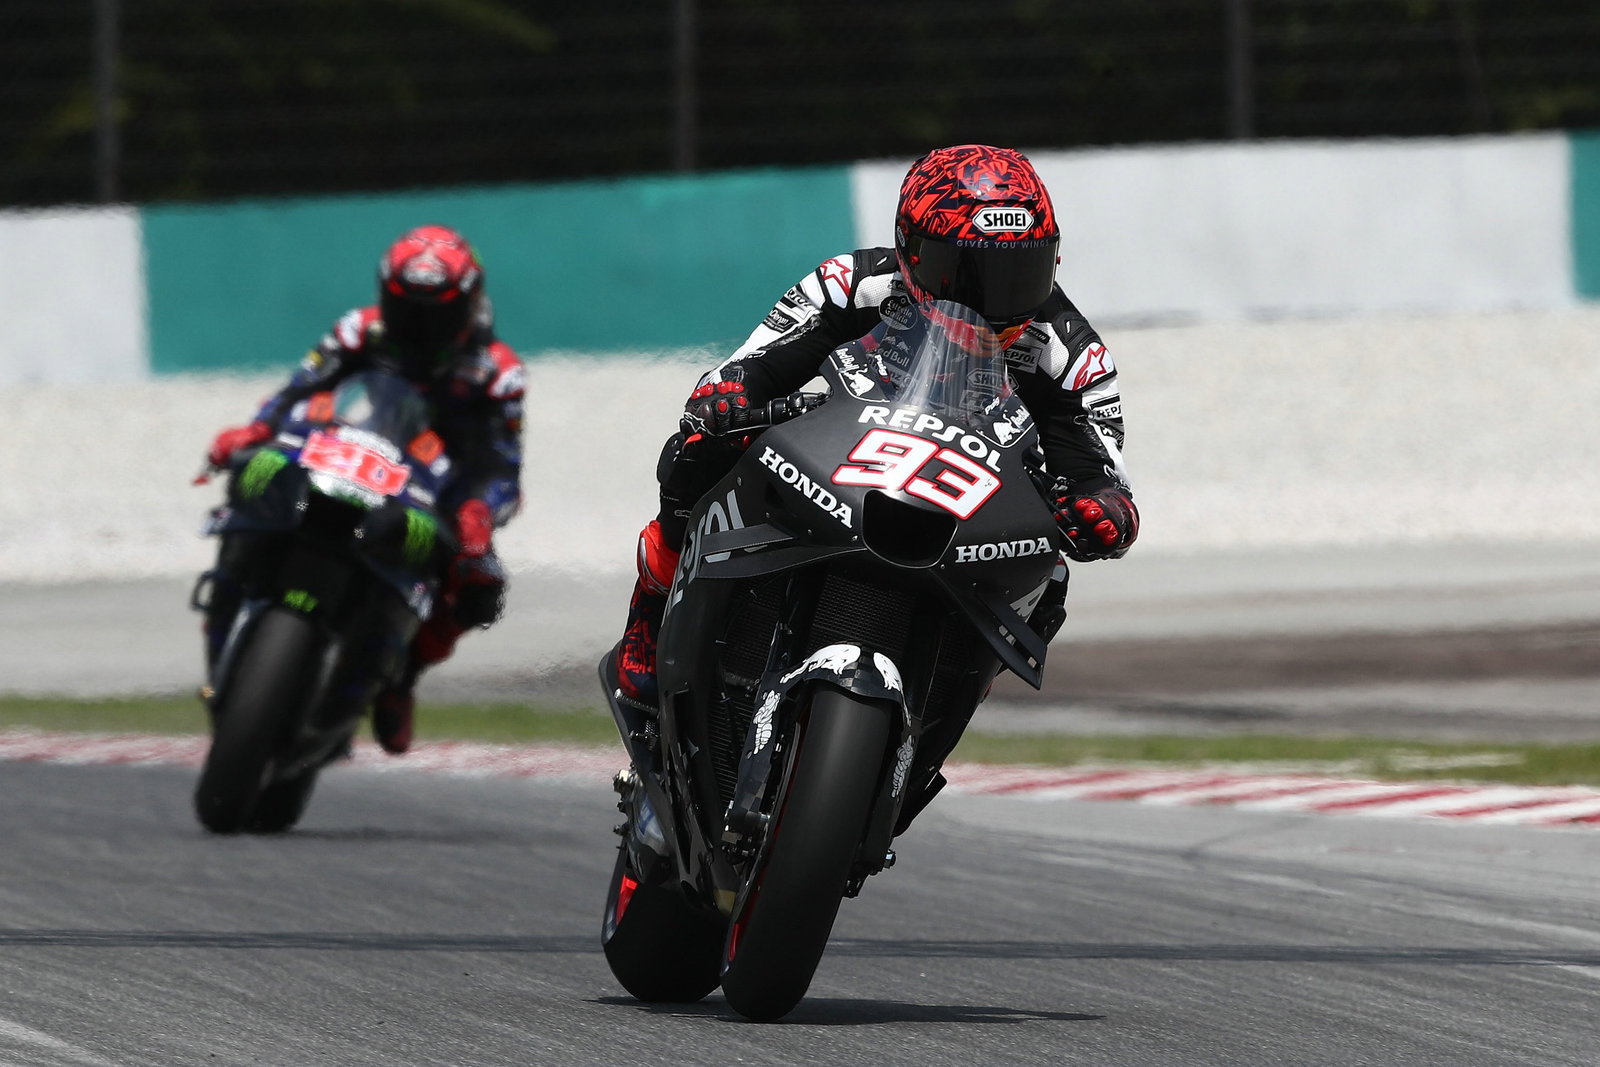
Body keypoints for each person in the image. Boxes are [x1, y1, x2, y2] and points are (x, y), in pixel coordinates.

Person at [611, 143, 1138, 707]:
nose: (992, 305)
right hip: (839, 460)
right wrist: (729, 396)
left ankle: (950, 691)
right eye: (966, 275)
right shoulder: (849, 284)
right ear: (909, 251)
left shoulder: (1071, 350)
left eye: (1018, 275)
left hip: (968, 505)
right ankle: (652, 605)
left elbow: (1102, 470)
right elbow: (751, 367)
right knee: (696, 446)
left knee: (1051, 573)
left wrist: (1102, 509)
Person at [201, 224, 525, 754]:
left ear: (468, 304)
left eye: (436, 312)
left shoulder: (498, 373)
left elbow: (503, 470)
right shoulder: (357, 331)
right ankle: (228, 598)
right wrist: (255, 431)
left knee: (480, 586)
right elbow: (292, 394)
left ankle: (402, 675)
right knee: (251, 474)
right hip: (337, 453)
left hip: (431, 493)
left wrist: (478, 512)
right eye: (407, 308)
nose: (421, 325)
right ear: (384, 296)